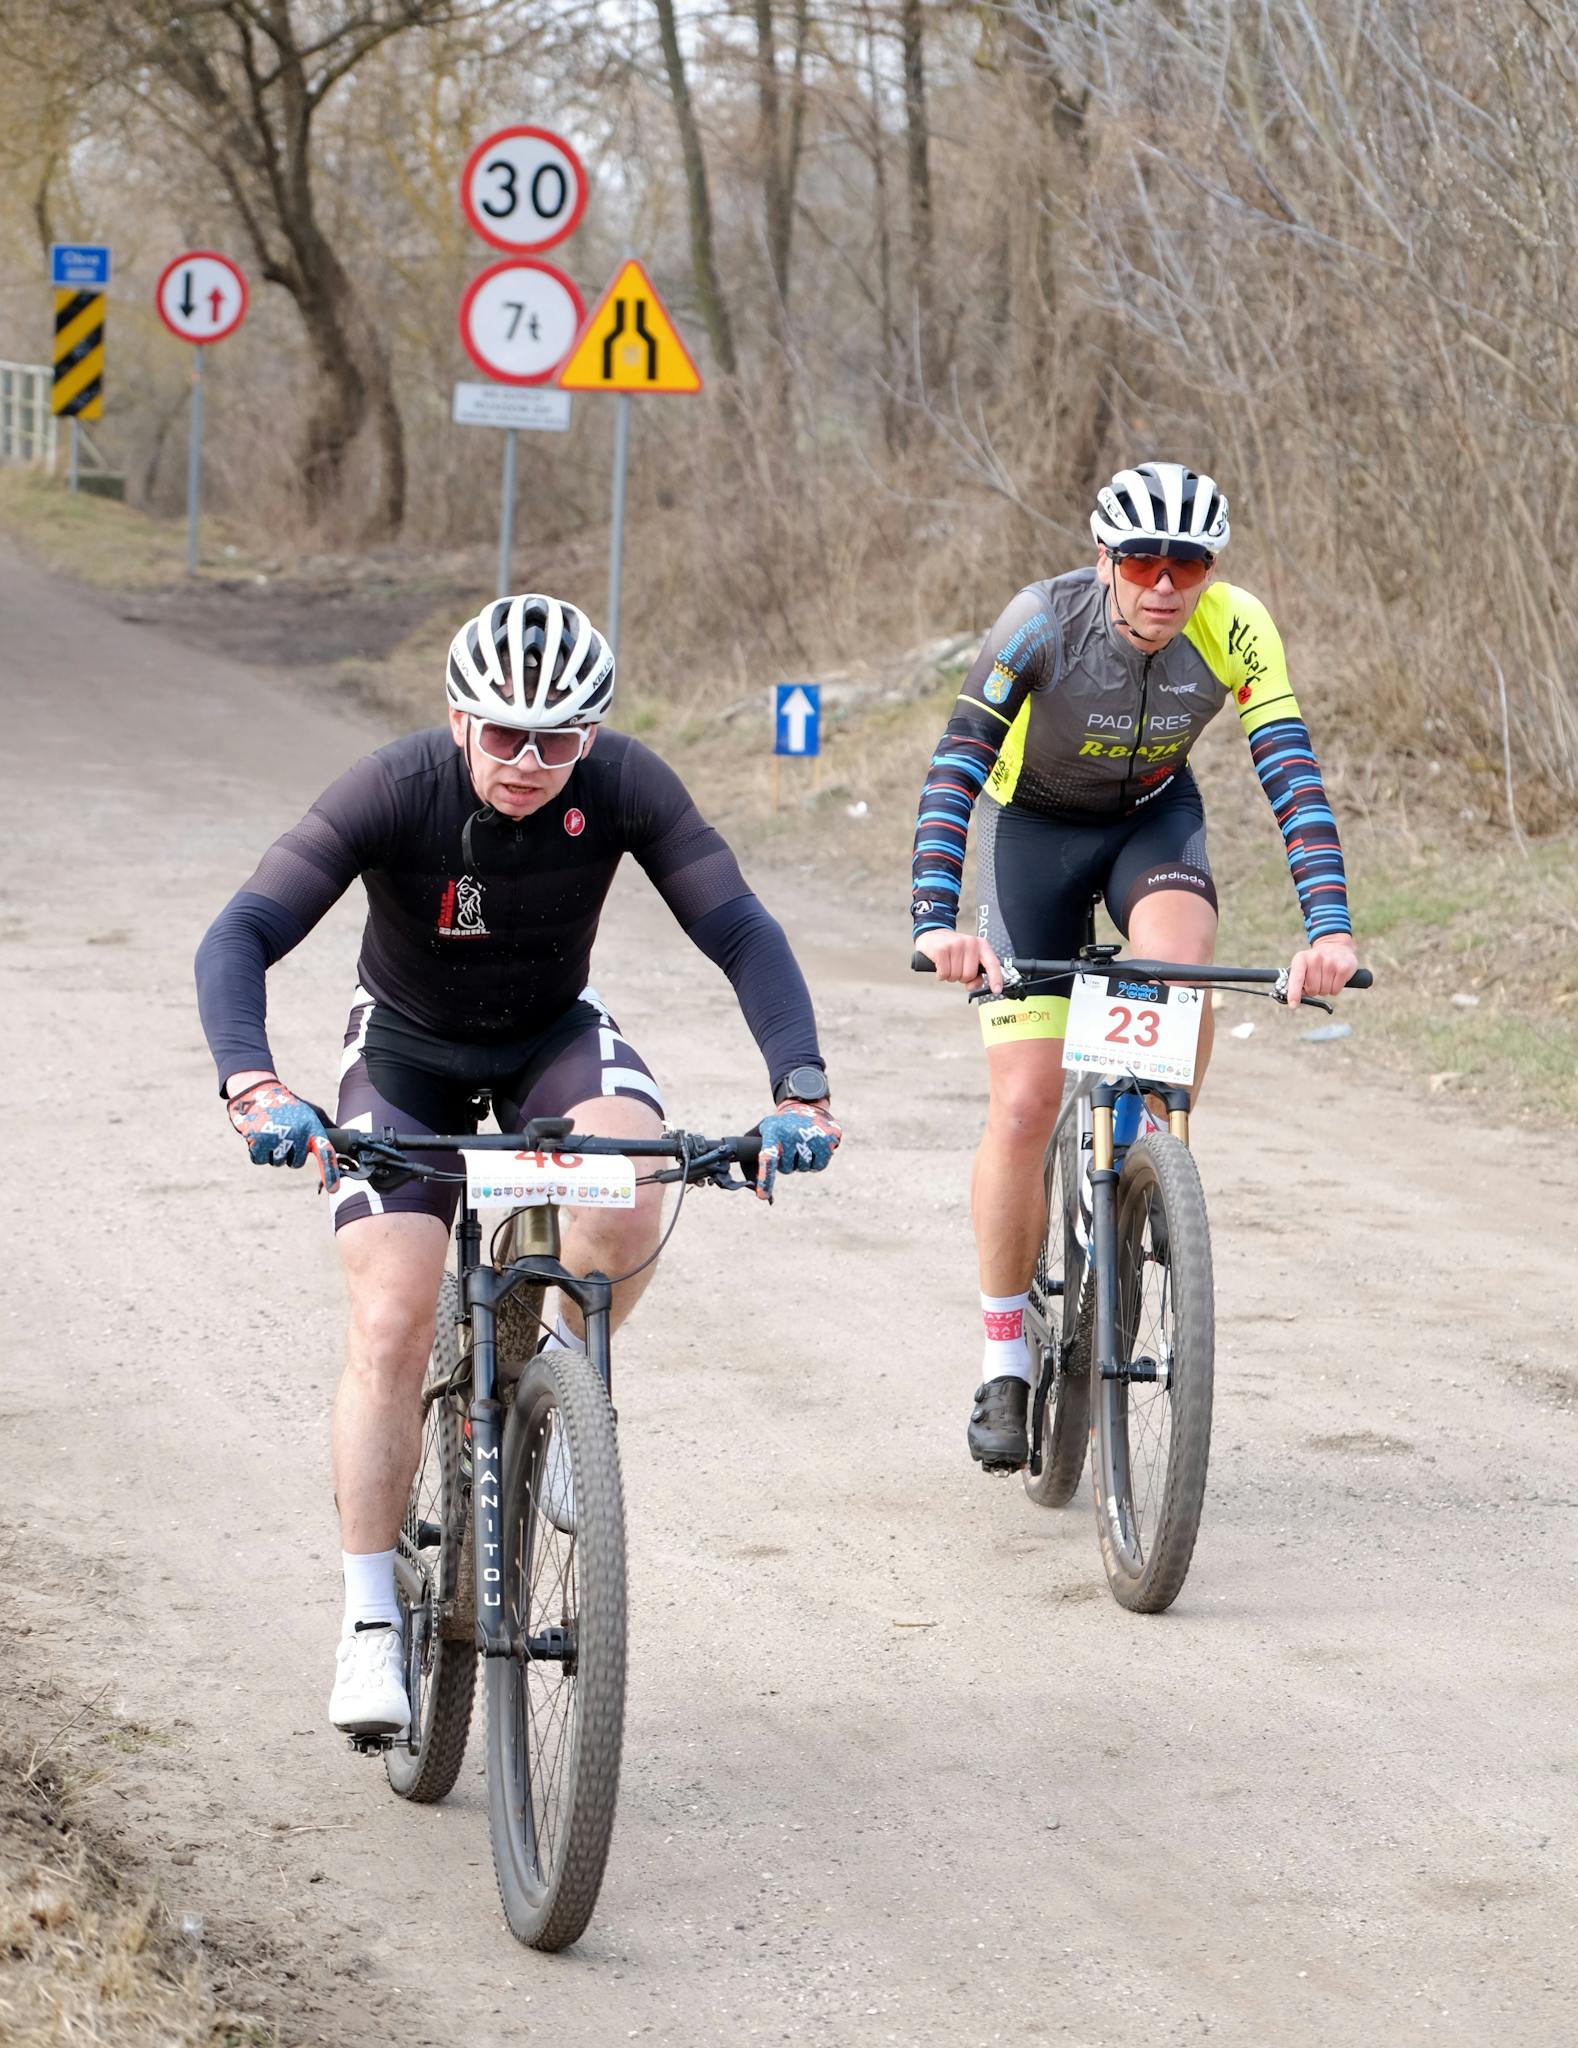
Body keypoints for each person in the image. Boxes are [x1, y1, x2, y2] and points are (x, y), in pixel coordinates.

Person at [196, 593, 840, 1735]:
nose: (530, 759)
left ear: (591, 735)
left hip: (549, 1034)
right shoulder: (394, 789)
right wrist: (257, 1084)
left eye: (558, 737)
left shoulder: (626, 783)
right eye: (503, 733)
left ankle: (565, 1382)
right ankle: (366, 1621)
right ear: (458, 720)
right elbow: (241, 929)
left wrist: (799, 1087)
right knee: (392, 1316)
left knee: (637, 1184)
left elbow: (739, 926)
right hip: (403, 1050)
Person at [910, 462, 1357, 1471]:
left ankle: (1145, 1156)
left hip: (1154, 822)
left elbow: (1290, 772)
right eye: (1144, 560)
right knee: (1023, 1105)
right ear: (1105, 557)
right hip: (1035, 833)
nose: (1165, 583)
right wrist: (938, 918)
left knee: (1179, 956)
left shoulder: (1236, 625)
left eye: (1188, 563)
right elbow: (957, 768)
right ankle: (1006, 1355)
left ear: (1210, 570)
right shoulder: (1039, 620)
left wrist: (1327, 927)